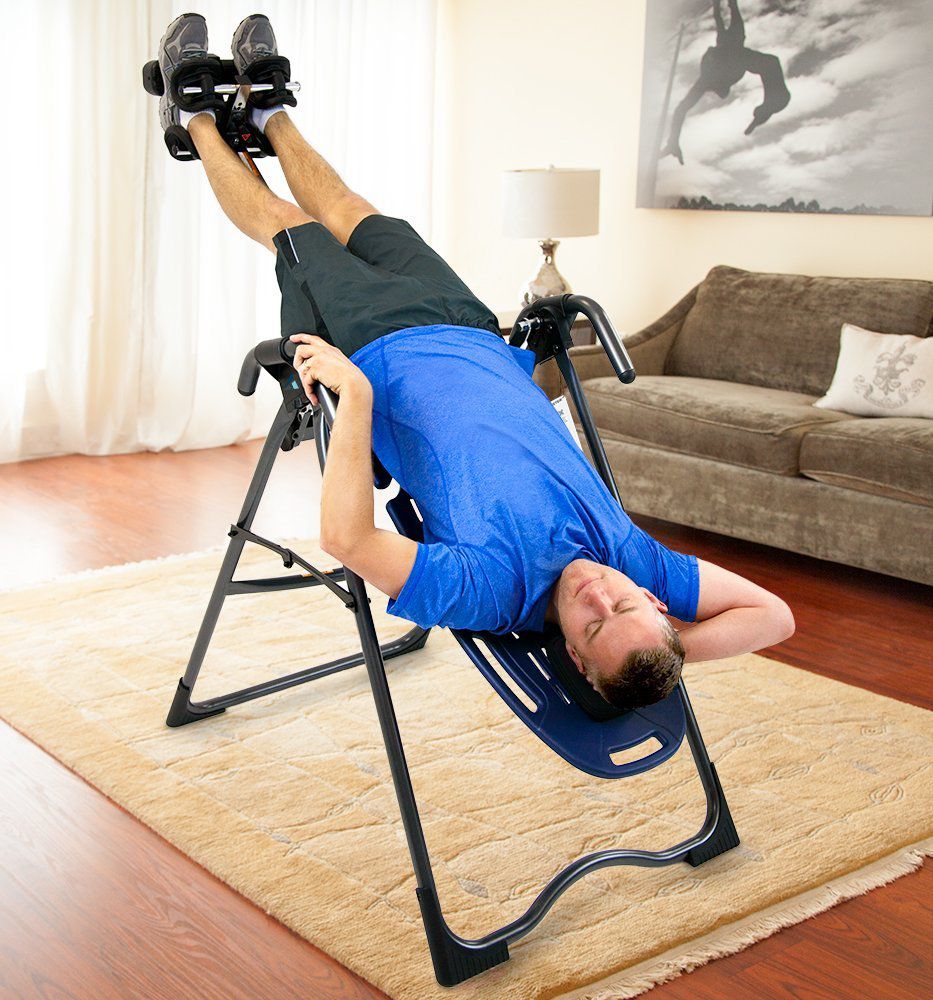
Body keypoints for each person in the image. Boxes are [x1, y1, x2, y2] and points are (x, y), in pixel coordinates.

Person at [155, 13, 795, 711]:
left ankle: (194, 120)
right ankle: (268, 111)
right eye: (624, 608)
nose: (597, 596)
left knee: (293, 227)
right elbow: (775, 617)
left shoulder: (491, 592)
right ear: (652, 601)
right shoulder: (640, 566)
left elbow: (347, 538)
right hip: (468, 328)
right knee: (353, 208)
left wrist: (356, 397)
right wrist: (665, 646)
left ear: (574, 657)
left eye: (591, 625)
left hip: (379, 348)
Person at [662, 0, 790, 164]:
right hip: (732, 50)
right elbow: (681, 108)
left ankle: (771, 103)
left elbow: (681, 108)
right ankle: (771, 103)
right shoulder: (713, 78)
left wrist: (673, 140)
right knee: (767, 59)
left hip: (728, 51)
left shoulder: (707, 81)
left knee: (728, 22)